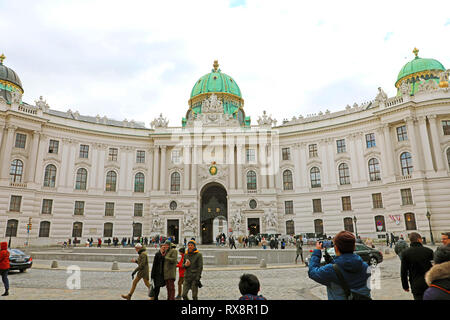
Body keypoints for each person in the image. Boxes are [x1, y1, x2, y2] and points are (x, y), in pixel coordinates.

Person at [308, 231, 371, 300]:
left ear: (336, 248)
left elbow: (312, 272)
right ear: (354, 247)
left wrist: (317, 251)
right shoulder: (365, 266)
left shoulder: (330, 270)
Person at [400, 232, 434, 300]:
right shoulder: (428, 251)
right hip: (429, 282)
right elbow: (434, 268)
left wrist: (405, 286)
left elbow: (403, 272)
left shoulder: (405, 253)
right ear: (419, 239)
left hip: (415, 283)